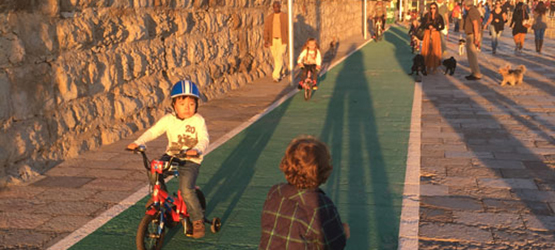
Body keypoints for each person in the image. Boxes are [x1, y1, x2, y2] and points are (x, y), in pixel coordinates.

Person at [126, 80, 209, 239]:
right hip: (172, 155)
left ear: (196, 105)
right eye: (182, 103)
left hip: (191, 159)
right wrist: (138, 142)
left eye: (191, 104)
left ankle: (197, 220)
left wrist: (196, 150)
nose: (187, 107)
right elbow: (153, 132)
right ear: (174, 104)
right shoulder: (168, 119)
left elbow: (204, 139)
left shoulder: (198, 120)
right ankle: (160, 196)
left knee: (186, 190)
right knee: (154, 171)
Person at [259, 136, 349, 249]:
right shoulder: (321, 206)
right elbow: (334, 244)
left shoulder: (275, 192)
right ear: (324, 171)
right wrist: (344, 232)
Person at [263, 1, 289, 82]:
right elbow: (266, 29)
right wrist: (266, 40)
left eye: (277, 6)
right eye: (274, 7)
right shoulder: (269, 18)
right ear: (273, 8)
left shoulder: (285, 16)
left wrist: (288, 40)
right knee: (275, 57)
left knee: (280, 56)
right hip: (273, 40)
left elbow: (289, 29)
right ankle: (281, 71)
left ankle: (275, 75)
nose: (276, 8)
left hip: (282, 40)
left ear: (280, 7)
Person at [421, 2, 445, 74]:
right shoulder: (427, 16)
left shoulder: (439, 16)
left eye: (434, 8)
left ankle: (434, 67)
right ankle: (427, 66)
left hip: (436, 34)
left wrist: (436, 28)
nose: (432, 10)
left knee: (435, 50)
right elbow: (423, 25)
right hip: (428, 34)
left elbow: (442, 26)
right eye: (431, 8)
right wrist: (428, 26)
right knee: (427, 50)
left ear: (436, 8)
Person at [463, 0, 483, 80]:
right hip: (471, 34)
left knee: (472, 55)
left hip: (472, 35)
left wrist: (476, 38)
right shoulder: (473, 10)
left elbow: (475, 24)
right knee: (470, 55)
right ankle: (473, 72)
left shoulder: (472, 11)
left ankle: (477, 73)